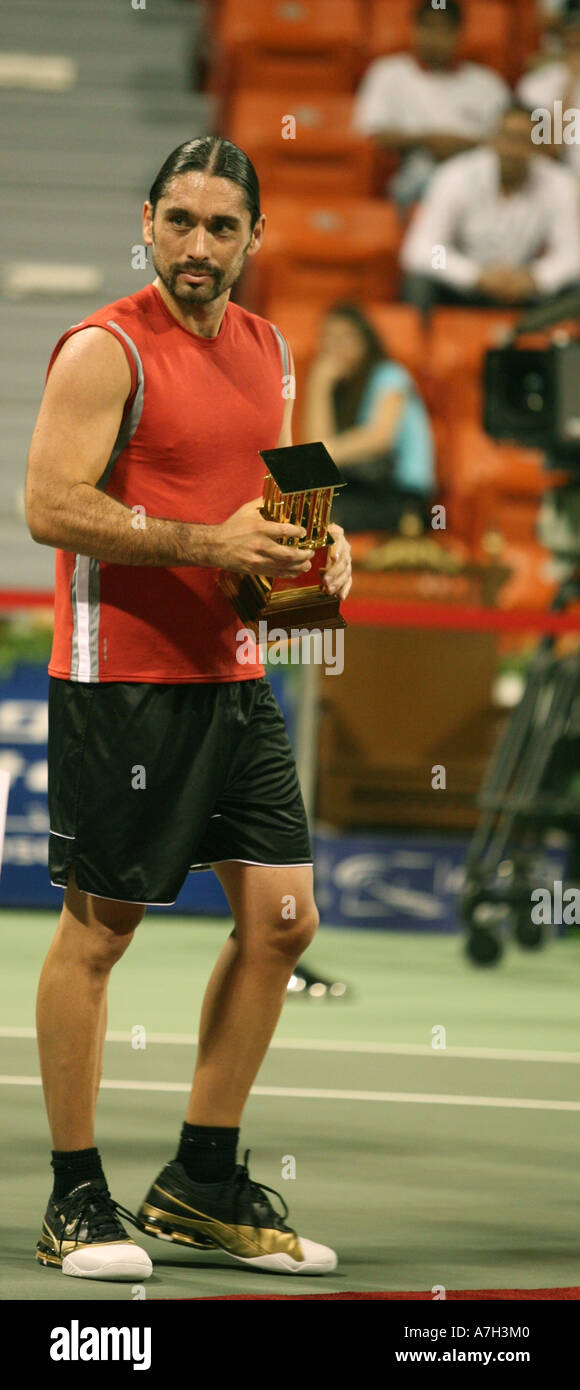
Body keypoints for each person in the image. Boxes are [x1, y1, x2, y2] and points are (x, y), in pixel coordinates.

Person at [25, 136, 352, 1281]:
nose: (198, 246)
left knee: (282, 923)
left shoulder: (271, 350)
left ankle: (201, 1182)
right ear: (148, 221)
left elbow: (284, 506)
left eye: (222, 226)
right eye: (180, 221)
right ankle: (75, 1196)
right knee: (100, 934)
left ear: (254, 237)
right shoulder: (106, 349)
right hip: (125, 682)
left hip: (236, 678)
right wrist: (206, 542)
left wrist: (327, 552)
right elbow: (49, 507)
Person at [401, 103, 580, 316]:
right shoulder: (455, 176)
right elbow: (426, 249)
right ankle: (422, 348)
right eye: (506, 137)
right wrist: (474, 275)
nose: (511, 149)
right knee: (419, 282)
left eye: (522, 140)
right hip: (464, 288)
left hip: (524, 290)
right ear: (492, 139)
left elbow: (571, 254)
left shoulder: (558, 184)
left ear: (539, 146)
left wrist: (536, 277)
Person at [352, 0, 510, 209]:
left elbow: (511, 141)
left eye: (443, 29)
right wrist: (429, 141)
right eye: (427, 26)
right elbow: (372, 135)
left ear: (459, 34)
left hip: (476, 174)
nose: (434, 37)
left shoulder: (487, 83)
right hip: (413, 168)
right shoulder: (388, 73)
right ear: (414, 29)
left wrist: (461, 146)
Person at [303, 303, 434, 534]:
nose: (335, 347)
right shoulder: (341, 388)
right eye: (328, 339)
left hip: (402, 497)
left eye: (345, 338)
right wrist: (319, 385)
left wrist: (315, 458)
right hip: (364, 488)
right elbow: (318, 450)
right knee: (299, 506)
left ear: (365, 341)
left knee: (312, 514)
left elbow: (380, 437)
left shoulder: (390, 374)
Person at [518, 0, 580, 176]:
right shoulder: (536, 83)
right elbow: (550, 147)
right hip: (551, 181)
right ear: (563, 37)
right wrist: (571, 81)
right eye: (572, 36)